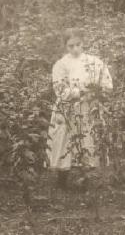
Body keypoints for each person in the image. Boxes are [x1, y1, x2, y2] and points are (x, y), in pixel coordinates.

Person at [47, 28, 113, 189]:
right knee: (65, 139)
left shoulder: (94, 62)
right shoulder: (61, 65)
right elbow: (61, 90)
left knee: (87, 139)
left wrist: (95, 92)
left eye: (78, 44)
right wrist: (81, 91)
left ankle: (86, 179)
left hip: (89, 107)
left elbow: (107, 84)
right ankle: (62, 179)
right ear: (65, 46)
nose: (75, 49)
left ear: (83, 43)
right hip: (68, 109)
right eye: (71, 46)